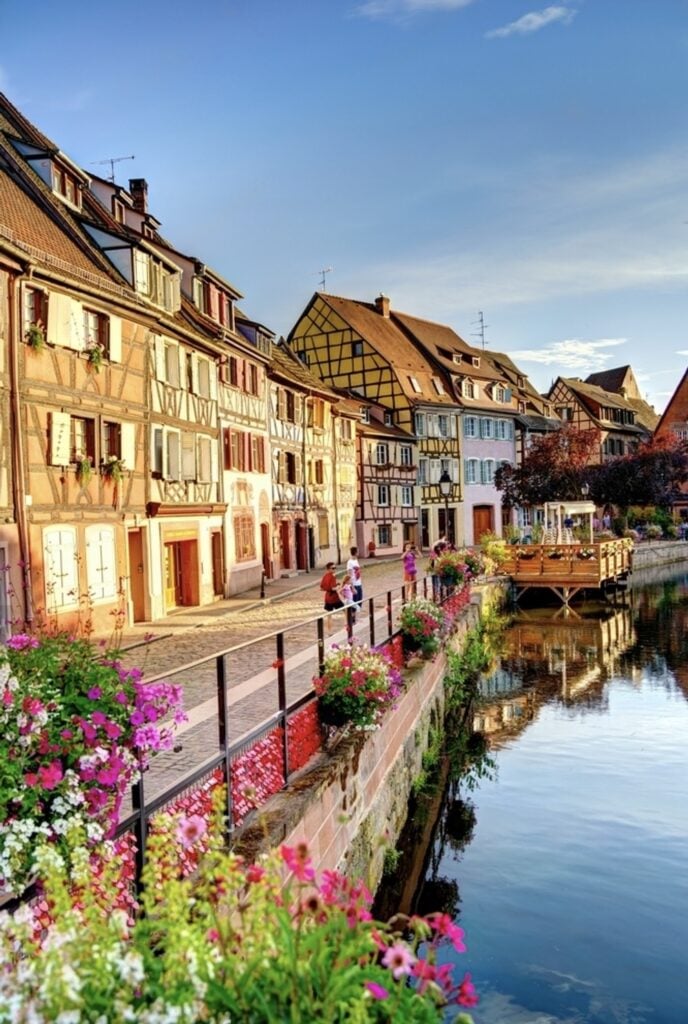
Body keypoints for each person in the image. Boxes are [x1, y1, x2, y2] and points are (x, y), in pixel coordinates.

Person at [320, 561, 343, 632]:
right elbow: (333, 588)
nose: (334, 569)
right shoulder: (332, 576)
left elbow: (321, 588)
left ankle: (329, 631)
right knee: (346, 610)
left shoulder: (325, 576)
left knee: (329, 615)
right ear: (328, 569)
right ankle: (348, 625)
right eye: (333, 568)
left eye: (335, 568)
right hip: (334, 598)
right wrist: (338, 587)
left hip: (327, 598)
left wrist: (330, 587)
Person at [346, 546, 363, 611]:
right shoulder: (350, 562)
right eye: (358, 551)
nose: (359, 552)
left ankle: (356, 616)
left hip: (359, 584)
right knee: (354, 605)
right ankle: (352, 617)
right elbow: (349, 575)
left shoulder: (356, 560)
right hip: (354, 585)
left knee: (359, 603)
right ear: (355, 552)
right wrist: (352, 587)